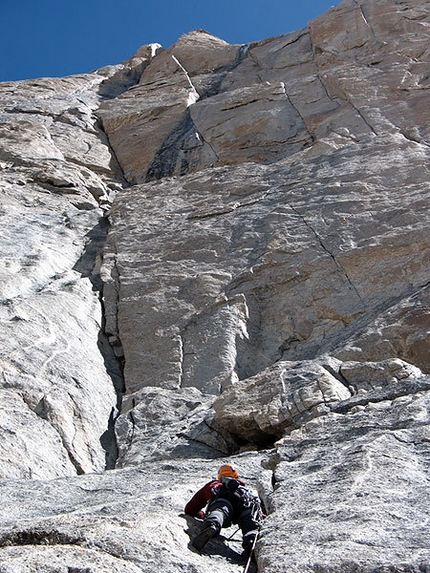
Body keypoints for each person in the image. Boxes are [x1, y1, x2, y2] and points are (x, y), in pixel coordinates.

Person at [184, 463, 264, 560]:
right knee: (248, 518)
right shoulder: (243, 489)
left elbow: (190, 508)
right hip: (243, 503)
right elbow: (258, 513)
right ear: (236, 476)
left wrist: (203, 515)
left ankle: (213, 524)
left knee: (220, 510)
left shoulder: (215, 485)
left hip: (223, 500)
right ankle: (251, 539)